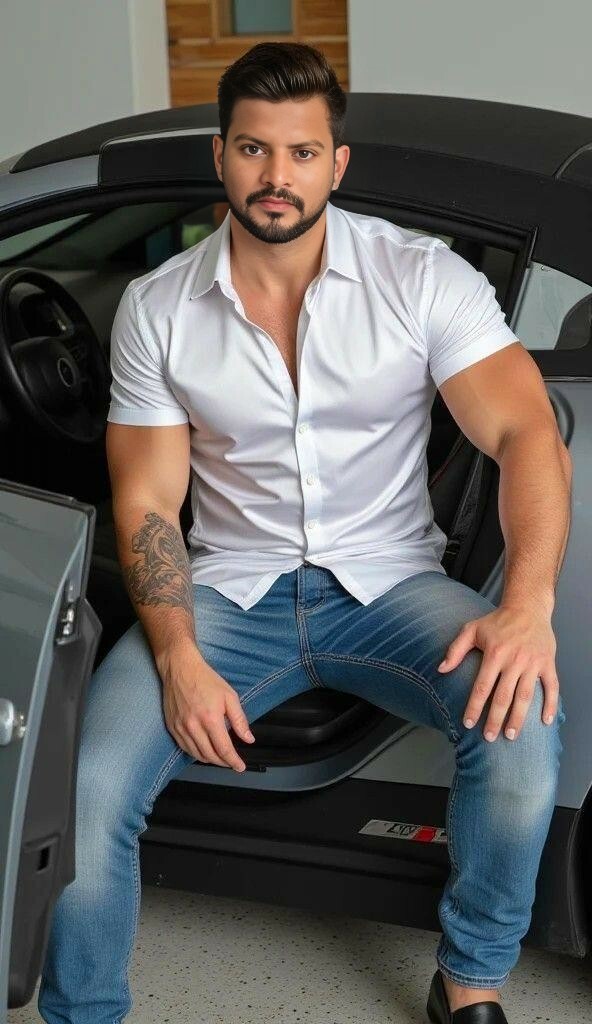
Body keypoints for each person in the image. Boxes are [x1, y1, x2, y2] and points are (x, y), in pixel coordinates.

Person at [38, 41, 571, 1024]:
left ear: (337, 163)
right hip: (227, 595)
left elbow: (525, 433)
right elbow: (148, 503)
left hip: (390, 588)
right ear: (221, 156)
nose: (275, 175)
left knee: (523, 726)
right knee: (88, 787)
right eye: (253, 149)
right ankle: (86, 1015)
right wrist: (178, 655)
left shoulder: (419, 279)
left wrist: (526, 608)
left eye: (301, 152)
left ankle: (470, 981)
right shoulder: (159, 308)